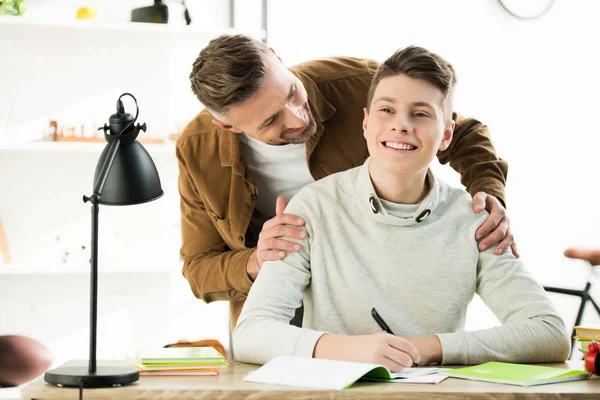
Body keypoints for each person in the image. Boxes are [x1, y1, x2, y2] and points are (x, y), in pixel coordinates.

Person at [232, 46, 570, 369]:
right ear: (365, 123)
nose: (401, 124)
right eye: (386, 110)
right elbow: (251, 333)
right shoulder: (312, 207)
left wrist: (428, 349)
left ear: (447, 135)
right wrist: (350, 349)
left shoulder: (474, 220)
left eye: (420, 114)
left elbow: (549, 332)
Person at [177, 34, 516, 329]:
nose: (297, 117)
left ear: (278, 59)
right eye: (271, 120)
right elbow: (198, 268)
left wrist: (489, 193)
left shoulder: (359, 84)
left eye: (292, 92)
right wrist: (255, 261)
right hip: (276, 313)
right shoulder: (197, 149)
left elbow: (461, 131)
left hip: (374, 299)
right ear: (228, 126)